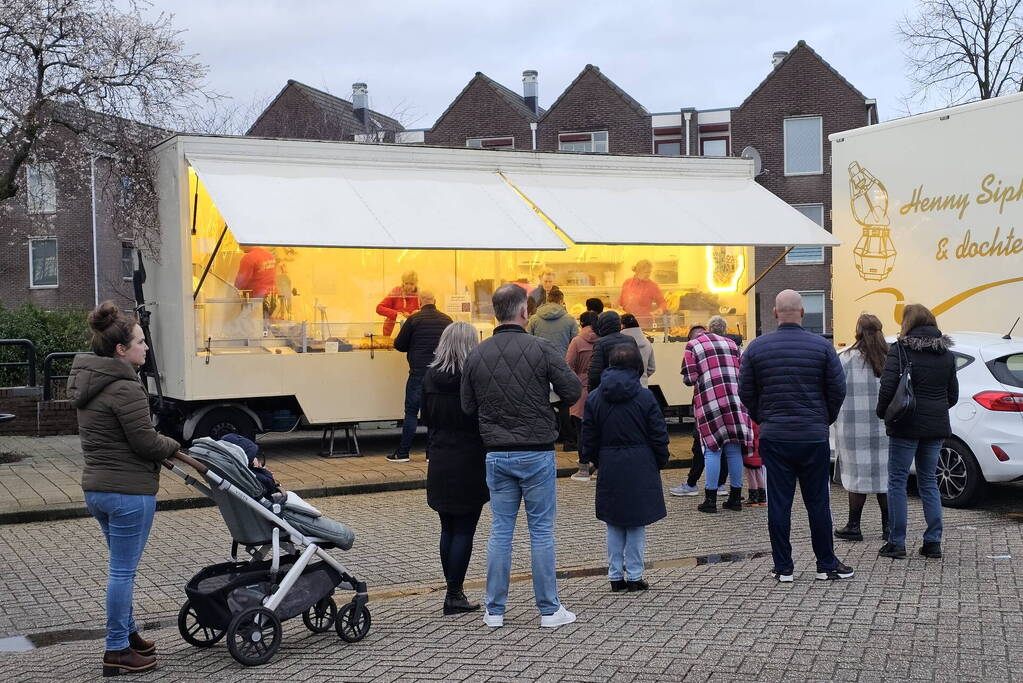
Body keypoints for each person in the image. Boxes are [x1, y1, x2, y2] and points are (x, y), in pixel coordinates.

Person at [67, 302, 181, 677]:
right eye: (140, 342)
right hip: (129, 492)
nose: (145, 348)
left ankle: (129, 635)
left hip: (97, 489)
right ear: (121, 350)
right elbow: (145, 443)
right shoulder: (125, 387)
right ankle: (116, 650)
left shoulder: (89, 383)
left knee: (120, 569)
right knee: (122, 573)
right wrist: (173, 446)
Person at [461, 284, 581, 628]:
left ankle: (494, 610)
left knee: (501, 531)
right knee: (541, 531)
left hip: (496, 453)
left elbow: (468, 406)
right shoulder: (540, 348)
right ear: (525, 312)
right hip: (537, 451)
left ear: (494, 313)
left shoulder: (477, 354)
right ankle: (549, 610)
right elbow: (572, 391)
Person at [738, 290, 853, 583]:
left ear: (776, 313)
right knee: (818, 502)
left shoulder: (756, 348)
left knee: (779, 503)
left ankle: (783, 567)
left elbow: (746, 392)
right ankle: (826, 564)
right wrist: (823, 418)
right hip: (813, 436)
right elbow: (838, 389)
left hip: (775, 436)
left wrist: (762, 418)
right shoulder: (822, 347)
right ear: (802, 313)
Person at [582, 344, 669, 592]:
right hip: (641, 463)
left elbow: (588, 434)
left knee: (614, 522)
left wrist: (592, 459)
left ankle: (614, 576)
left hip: (609, 463)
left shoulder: (596, 396)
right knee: (636, 523)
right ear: (636, 366)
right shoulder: (644, 396)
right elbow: (658, 433)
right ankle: (634, 575)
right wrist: (659, 459)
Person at [875, 304, 958, 560]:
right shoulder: (946, 354)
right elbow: (952, 395)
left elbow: (888, 388)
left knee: (898, 481)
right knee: (929, 481)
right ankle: (933, 542)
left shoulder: (900, 350)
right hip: (935, 427)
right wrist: (935, 410)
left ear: (907, 323)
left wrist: (882, 413)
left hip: (905, 425)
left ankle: (897, 543)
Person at [422, 322, 489, 615]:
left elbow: (425, 417)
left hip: (439, 457)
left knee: (447, 527)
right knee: (464, 529)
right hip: (469, 458)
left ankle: (452, 589)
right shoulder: (473, 378)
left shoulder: (428, 377)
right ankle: (454, 593)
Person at [682, 315, 754, 514]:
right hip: (735, 401)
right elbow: (743, 371)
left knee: (712, 450)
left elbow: (690, 378)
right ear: (724, 329)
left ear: (708, 329)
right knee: (733, 450)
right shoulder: (733, 345)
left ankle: (710, 500)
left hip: (710, 402)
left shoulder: (693, 345)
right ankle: (735, 498)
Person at [833, 314, 891, 542]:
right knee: (885, 478)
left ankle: (854, 525)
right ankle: (888, 527)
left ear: (858, 331)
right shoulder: (890, 358)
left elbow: (835, 390)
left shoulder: (846, 358)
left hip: (853, 428)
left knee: (857, 477)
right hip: (885, 427)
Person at [577, 311, 639, 481]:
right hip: (629, 392)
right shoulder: (630, 340)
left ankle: (597, 466)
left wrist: (593, 393)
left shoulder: (601, 343)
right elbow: (638, 367)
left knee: (602, 430)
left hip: (607, 392)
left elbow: (595, 372)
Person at [390, 291, 452, 463]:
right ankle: (431, 454)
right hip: (439, 372)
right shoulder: (447, 320)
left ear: (419, 302)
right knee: (434, 412)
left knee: (411, 412)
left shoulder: (414, 319)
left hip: (418, 372)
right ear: (436, 301)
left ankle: (403, 453)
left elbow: (399, 345)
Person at [669, 325, 727, 497]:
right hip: (726, 402)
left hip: (704, 403)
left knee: (701, 446)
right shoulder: (726, 347)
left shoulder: (694, 348)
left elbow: (689, 379)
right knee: (725, 446)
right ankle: (721, 484)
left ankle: (693, 484)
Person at [566, 311, 599, 481]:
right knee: (599, 429)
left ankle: (584, 468)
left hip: (581, 390)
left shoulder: (577, 341)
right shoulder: (602, 340)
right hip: (599, 389)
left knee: (581, 431)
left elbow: (568, 365)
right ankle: (599, 465)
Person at [526, 287, 579, 358]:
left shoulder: (533, 319)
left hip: (540, 361)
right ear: (561, 301)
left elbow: (528, 343)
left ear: (547, 300)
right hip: (562, 362)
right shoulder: (571, 320)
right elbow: (576, 345)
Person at [617, 259, 667, 329]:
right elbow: (621, 300)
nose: (648, 275)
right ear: (638, 271)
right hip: (626, 323)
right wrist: (617, 306)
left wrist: (660, 310)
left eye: (650, 272)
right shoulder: (627, 283)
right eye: (646, 272)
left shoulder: (652, 286)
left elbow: (662, 303)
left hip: (644, 324)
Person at [234, 245, 278, 318]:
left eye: (240, 243)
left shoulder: (249, 258)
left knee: (251, 325)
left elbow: (240, 283)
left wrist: (231, 291)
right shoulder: (268, 255)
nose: (238, 246)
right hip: (273, 297)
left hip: (258, 299)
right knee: (264, 324)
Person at [377, 270, 421, 337]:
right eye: (406, 283)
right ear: (403, 282)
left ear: (416, 283)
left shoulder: (419, 295)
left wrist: (416, 314)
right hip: (392, 333)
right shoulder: (396, 292)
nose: (408, 286)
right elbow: (379, 308)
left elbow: (424, 313)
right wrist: (398, 314)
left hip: (410, 333)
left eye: (411, 284)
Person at [620, 313, 656, 387]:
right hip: (642, 387)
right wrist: (643, 376)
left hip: (624, 387)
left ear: (623, 325)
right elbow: (652, 368)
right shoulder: (646, 342)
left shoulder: (618, 342)